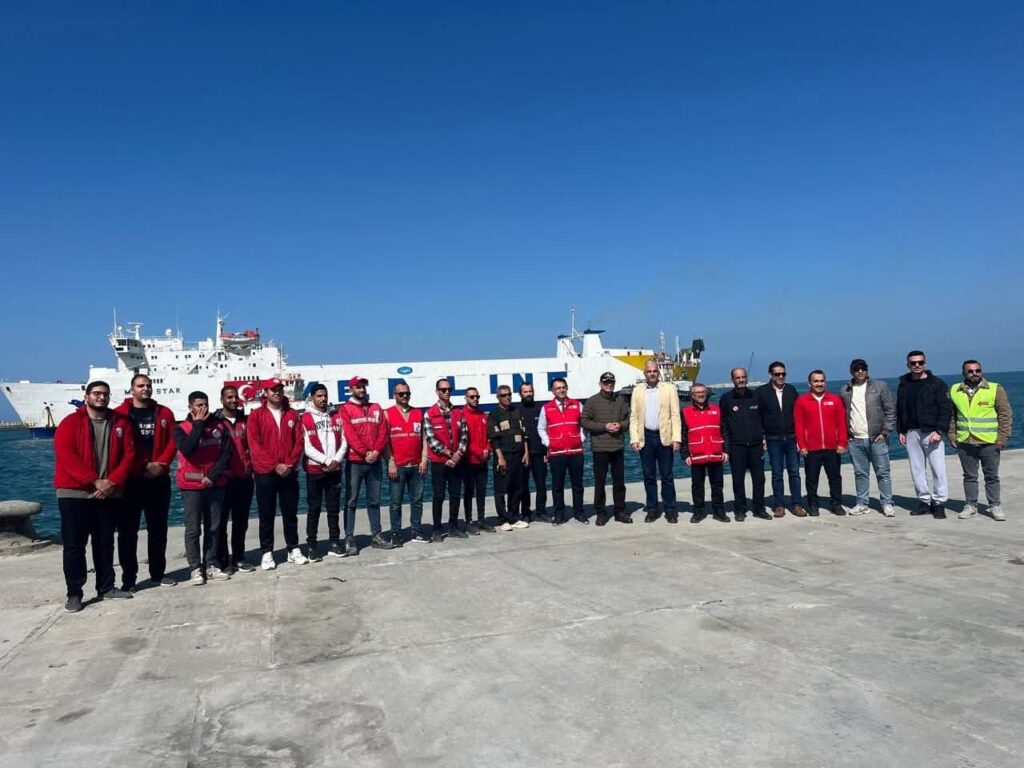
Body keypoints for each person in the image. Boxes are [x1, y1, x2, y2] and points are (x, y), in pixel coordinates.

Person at [53, 381, 136, 612]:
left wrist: (112, 481)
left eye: (105, 394)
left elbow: (129, 454)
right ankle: (74, 593)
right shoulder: (70, 423)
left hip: (109, 493)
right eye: (97, 393)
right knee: (74, 546)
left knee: (105, 543)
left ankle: (106, 586)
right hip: (74, 494)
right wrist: (94, 480)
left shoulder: (120, 422)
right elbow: (66, 455)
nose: (101, 397)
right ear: (87, 396)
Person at [113, 374, 177, 590]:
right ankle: (129, 579)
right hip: (131, 481)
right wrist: (143, 466)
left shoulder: (164, 413)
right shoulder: (120, 414)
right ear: (132, 389)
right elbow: (120, 447)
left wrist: (162, 464)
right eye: (141, 385)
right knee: (127, 532)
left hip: (159, 479)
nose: (145, 389)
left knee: (158, 530)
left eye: (148, 385)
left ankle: (158, 574)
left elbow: (172, 442)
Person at [174, 391, 233, 585]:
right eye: (199, 405)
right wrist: (198, 424)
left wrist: (212, 476)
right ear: (190, 407)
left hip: (215, 484)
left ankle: (211, 564)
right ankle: (195, 568)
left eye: (205, 404)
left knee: (214, 527)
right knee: (193, 529)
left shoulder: (220, 426)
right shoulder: (181, 428)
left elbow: (226, 454)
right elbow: (187, 449)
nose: (203, 408)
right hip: (191, 486)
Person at [248, 378, 307, 569]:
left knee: (290, 513)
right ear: (265, 393)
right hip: (265, 473)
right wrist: (275, 465)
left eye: (280, 389)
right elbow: (255, 445)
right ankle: (267, 552)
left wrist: (289, 464)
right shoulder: (256, 416)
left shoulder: (292, 414)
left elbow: (299, 441)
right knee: (266, 514)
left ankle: (293, 548)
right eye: (273, 390)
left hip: (288, 472)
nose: (277, 392)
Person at [949, 360, 1013, 521]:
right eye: (970, 371)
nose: (975, 373)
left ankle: (995, 505)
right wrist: (951, 434)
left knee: (991, 476)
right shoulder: (955, 390)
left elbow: (1005, 414)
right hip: (965, 441)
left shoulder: (994, 389)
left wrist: (1003, 437)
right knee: (969, 476)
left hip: (989, 441)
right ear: (964, 372)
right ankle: (970, 505)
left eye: (977, 370)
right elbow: (951, 415)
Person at [340, 375, 393, 553]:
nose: (361, 390)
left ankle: (376, 535)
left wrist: (376, 451)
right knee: (351, 501)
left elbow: (383, 432)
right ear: (351, 389)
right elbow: (350, 435)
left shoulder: (375, 408)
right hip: (355, 462)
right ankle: (349, 538)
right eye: (358, 387)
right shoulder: (345, 409)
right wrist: (365, 453)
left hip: (374, 462)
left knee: (374, 500)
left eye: (363, 386)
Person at [897, 351, 952, 519]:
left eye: (920, 362)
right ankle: (924, 501)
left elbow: (945, 409)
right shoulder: (903, 384)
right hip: (911, 432)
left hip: (932, 432)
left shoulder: (937, 384)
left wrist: (940, 431)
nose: (917, 365)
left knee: (938, 469)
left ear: (925, 363)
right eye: (913, 363)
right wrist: (901, 430)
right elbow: (900, 408)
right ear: (908, 365)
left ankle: (939, 503)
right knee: (917, 469)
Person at [839, 359, 896, 517]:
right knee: (860, 474)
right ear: (851, 371)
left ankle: (887, 503)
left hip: (877, 438)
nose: (860, 371)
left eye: (863, 368)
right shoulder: (845, 390)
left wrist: (885, 432)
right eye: (856, 369)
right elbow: (843, 414)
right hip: (855, 439)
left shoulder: (880, 386)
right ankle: (862, 503)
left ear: (867, 370)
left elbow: (891, 410)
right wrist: (846, 435)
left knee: (883, 473)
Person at [629, 360, 681, 523]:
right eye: (649, 371)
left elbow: (675, 415)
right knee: (649, 476)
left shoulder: (669, 389)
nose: (652, 374)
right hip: (646, 437)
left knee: (667, 476)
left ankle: (670, 509)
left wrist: (676, 438)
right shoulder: (637, 390)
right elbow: (634, 416)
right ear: (644, 373)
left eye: (654, 371)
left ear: (658, 372)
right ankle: (652, 509)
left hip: (664, 437)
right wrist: (634, 438)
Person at [301, 383, 347, 560]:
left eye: (325, 395)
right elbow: (306, 447)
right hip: (315, 470)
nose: (323, 399)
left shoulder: (336, 416)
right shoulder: (305, 418)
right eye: (319, 396)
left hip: (335, 469)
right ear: (312, 397)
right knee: (314, 509)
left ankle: (334, 542)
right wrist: (327, 461)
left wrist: (336, 461)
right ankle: (312, 546)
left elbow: (344, 440)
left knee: (333, 508)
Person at [794, 370, 848, 516]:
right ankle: (813, 504)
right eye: (816, 381)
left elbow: (841, 423)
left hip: (832, 447)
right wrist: (802, 445)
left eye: (822, 381)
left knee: (835, 478)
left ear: (825, 382)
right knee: (812, 478)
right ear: (809, 384)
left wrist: (842, 443)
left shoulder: (835, 399)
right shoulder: (802, 401)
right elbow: (799, 425)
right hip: (811, 448)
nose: (819, 384)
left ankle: (836, 504)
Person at [719, 368, 770, 521]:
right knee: (738, 480)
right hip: (737, 446)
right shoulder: (726, 399)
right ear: (732, 380)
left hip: (756, 445)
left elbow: (764, 419)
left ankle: (759, 508)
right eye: (738, 378)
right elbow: (723, 424)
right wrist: (726, 446)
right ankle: (740, 509)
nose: (741, 380)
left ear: (747, 378)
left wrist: (764, 438)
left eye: (743, 377)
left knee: (759, 479)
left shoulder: (756, 396)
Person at [756, 362, 805, 518]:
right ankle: (779, 505)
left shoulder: (791, 390)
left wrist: (801, 437)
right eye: (777, 374)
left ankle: (796, 504)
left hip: (791, 438)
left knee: (794, 472)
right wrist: (762, 437)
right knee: (777, 473)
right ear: (770, 375)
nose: (781, 376)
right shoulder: (761, 392)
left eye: (783, 373)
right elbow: (758, 417)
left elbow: (798, 415)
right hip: (773, 439)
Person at [581, 372, 630, 525]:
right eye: (606, 382)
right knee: (600, 482)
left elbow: (628, 420)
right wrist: (604, 427)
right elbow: (584, 421)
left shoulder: (621, 400)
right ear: (600, 384)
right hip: (600, 448)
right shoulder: (592, 401)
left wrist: (620, 425)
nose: (609, 384)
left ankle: (619, 511)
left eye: (611, 382)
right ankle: (600, 512)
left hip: (617, 447)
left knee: (619, 482)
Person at [215, 385, 255, 572]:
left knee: (241, 522)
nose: (233, 400)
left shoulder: (245, 420)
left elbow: (253, 446)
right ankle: (223, 560)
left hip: (244, 478)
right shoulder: (215, 422)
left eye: (235, 397)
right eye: (229, 397)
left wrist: (251, 466)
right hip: (223, 480)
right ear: (222, 400)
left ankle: (239, 557)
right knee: (221, 522)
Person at [424, 378, 469, 542]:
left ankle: (453, 527)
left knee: (455, 495)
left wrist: (457, 455)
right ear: (437, 392)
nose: (447, 392)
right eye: (443, 390)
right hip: (439, 462)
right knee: (438, 496)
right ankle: (437, 529)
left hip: (456, 461)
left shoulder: (459, 413)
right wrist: (448, 454)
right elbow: (431, 439)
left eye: (449, 389)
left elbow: (464, 436)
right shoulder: (429, 413)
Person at [384, 381, 429, 544]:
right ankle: (395, 534)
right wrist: (390, 462)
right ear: (394, 395)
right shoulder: (387, 414)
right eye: (401, 394)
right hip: (398, 466)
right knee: (395, 503)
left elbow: (424, 438)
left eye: (407, 393)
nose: (405, 396)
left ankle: (416, 531)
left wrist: (424, 459)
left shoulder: (418, 413)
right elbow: (385, 442)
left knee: (417, 502)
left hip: (417, 466)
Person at [538, 377, 586, 525]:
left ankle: (579, 513)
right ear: (553, 391)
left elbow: (584, 424)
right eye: (558, 388)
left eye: (563, 387)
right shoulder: (546, 408)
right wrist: (548, 442)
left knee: (577, 485)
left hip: (576, 451)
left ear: (567, 388)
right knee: (557, 486)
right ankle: (559, 514)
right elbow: (541, 428)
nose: (561, 390)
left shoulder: (577, 405)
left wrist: (581, 438)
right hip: (556, 453)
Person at [680, 383, 729, 524]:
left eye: (703, 392)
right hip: (697, 454)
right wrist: (685, 455)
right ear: (692, 395)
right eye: (697, 392)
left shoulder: (717, 409)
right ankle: (698, 512)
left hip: (715, 453)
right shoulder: (685, 412)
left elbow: (725, 431)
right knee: (697, 486)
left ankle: (719, 512)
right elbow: (683, 435)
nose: (701, 394)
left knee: (717, 485)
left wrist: (726, 450)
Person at [487, 385, 531, 531]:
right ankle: (502, 519)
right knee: (501, 489)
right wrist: (500, 457)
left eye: (509, 394)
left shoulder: (516, 411)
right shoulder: (494, 414)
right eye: (503, 395)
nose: (507, 397)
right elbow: (494, 439)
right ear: (498, 397)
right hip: (504, 456)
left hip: (519, 455)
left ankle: (513, 517)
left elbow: (524, 434)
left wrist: (526, 453)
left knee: (517, 487)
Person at [461, 387, 496, 533]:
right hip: (469, 460)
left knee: (481, 491)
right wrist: (479, 452)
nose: (475, 399)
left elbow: (488, 436)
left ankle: (481, 519)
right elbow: (465, 440)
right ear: (466, 398)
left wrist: (487, 450)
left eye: (477, 396)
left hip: (483, 460)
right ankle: (469, 521)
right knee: (469, 492)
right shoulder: (462, 415)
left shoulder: (482, 415)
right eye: (472, 397)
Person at [517, 381, 549, 522]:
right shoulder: (516, 410)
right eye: (525, 392)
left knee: (541, 484)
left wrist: (547, 451)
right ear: (520, 394)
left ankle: (541, 511)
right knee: (523, 485)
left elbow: (547, 430)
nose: (528, 394)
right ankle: (525, 512)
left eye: (530, 391)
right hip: (523, 455)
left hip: (540, 453)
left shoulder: (541, 408)